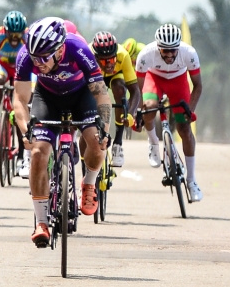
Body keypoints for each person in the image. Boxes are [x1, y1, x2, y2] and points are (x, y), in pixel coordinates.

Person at [12, 17, 111, 247]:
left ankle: (89, 183)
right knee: (38, 152)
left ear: (59, 50)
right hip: (47, 98)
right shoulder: (27, 55)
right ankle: (42, 221)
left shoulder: (78, 49)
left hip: (81, 96)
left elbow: (101, 94)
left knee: (96, 142)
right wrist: (26, 131)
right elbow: (20, 98)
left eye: (44, 58)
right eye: (35, 59)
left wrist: (104, 129)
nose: (39, 64)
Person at [135, 23, 204, 202]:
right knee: (149, 107)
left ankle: (191, 180)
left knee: (185, 129)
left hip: (178, 81)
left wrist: (191, 110)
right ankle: (153, 143)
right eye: (165, 51)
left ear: (178, 47)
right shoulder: (146, 55)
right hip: (154, 79)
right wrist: (139, 111)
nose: (170, 55)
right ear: (158, 47)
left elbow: (198, 86)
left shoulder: (189, 53)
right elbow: (138, 89)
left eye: (173, 50)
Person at [90, 31, 141, 167]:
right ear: (95, 56)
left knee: (119, 89)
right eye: (104, 60)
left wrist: (130, 113)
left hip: (115, 76)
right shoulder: (87, 54)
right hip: (95, 74)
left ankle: (118, 144)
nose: (108, 64)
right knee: (92, 94)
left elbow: (135, 91)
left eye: (111, 59)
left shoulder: (123, 55)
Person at [0, 10, 29, 173]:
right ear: (5, 31)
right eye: (11, 34)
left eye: (18, 35)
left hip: (19, 69)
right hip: (2, 67)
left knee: (20, 109)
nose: (14, 38)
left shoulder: (28, 37)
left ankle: (21, 155)